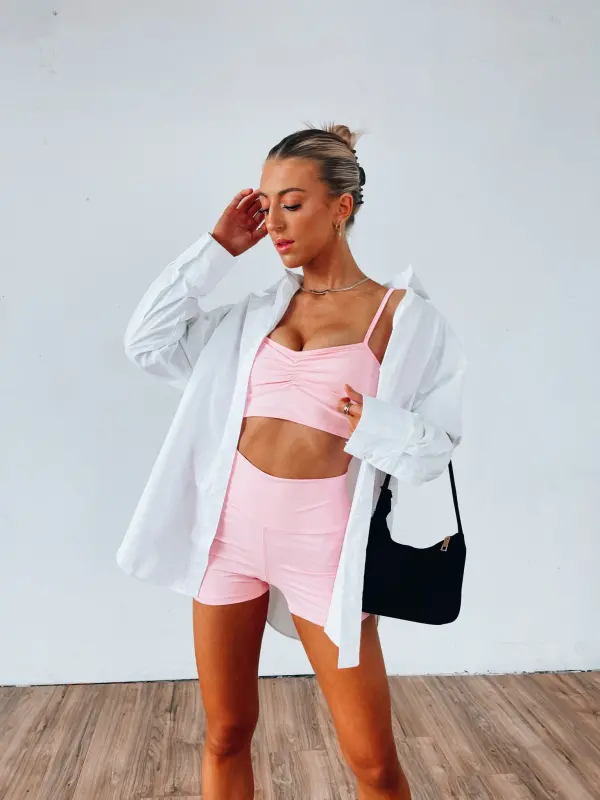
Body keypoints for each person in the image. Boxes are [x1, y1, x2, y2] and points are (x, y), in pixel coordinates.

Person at [116, 123, 466, 799]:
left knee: (373, 765)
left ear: (341, 207)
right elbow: (146, 342)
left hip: (325, 552)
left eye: (293, 204)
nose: (273, 223)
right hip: (229, 541)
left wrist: (377, 424)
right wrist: (218, 250)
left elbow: (437, 450)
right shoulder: (251, 317)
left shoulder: (404, 319)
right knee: (225, 733)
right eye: (266, 204)